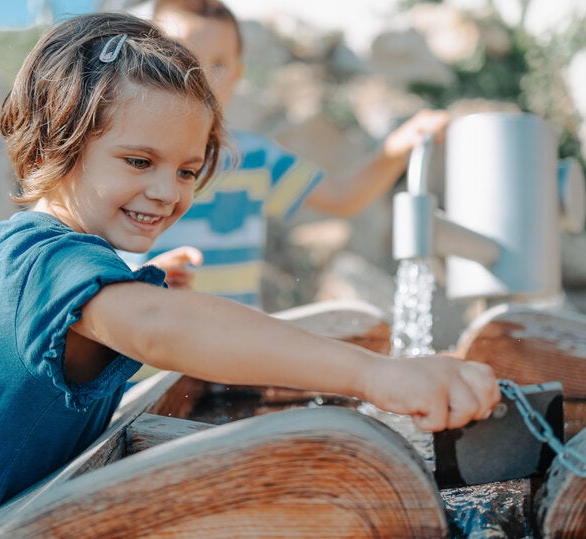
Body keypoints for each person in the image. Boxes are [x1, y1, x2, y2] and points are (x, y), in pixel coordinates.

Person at [0, 12, 500, 538]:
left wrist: (126, 294)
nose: (165, 191)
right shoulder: (50, 261)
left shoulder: (43, 258)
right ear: (51, 144)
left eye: (184, 170)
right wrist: (377, 374)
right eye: (139, 160)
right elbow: (157, 331)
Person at [119, 0, 450, 382]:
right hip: (142, 369)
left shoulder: (255, 158)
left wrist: (398, 147)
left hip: (230, 363)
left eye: (218, 64)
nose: (201, 76)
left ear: (238, 75)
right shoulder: (131, 156)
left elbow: (343, 197)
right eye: (182, 58)